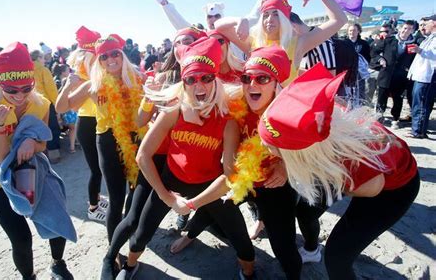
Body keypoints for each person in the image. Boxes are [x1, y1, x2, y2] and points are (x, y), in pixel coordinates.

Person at [258, 63, 420, 280]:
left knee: (337, 257)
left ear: (302, 154)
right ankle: (311, 249)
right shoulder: (319, 119)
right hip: (348, 167)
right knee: (306, 211)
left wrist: (309, 173)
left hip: (391, 190)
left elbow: (370, 189)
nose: (264, 147)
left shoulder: (354, 169)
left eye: (271, 147)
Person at [114, 38, 255, 280]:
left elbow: (230, 175)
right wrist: (166, 196)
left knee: (241, 240)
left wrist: (191, 204)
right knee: (141, 234)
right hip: (172, 179)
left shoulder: (228, 120)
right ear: (184, 82)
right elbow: (143, 155)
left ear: (216, 80)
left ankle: (249, 273)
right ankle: (129, 266)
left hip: (209, 184)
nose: (199, 84)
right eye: (191, 79)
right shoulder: (174, 110)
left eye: (206, 78)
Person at [172, 46, 302, 280]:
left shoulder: (288, 113)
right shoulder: (233, 106)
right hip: (242, 179)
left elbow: (306, 154)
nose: (252, 84)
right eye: (246, 78)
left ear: (275, 83)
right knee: (212, 209)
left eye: (262, 78)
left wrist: (285, 165)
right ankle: (190, 235)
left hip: (274, 186)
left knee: (283, 246)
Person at [0, 42, 73, 280]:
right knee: (21, 239)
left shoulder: (42, 104)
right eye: (11, 89)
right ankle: (28, 277)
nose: (19, 96)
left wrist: (32, 143)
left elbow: (44, 145)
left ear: (33, 83)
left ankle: (58, 263)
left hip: (33, 171)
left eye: (26, 88)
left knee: (57, 220)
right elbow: (1, 156)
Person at [56, 34, 145, 242]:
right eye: (104, 56)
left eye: (115, 54)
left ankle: (130, 226)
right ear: (99, 61)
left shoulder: (138, 79)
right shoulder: (93, 85)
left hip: (136, 139)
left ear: (122, 55)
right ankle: (113, 252)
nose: (110, 59)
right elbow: (61, 107)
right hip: (107, 141)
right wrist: (68, 84)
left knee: (135, 189)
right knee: (116, 198)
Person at [215, 0, 347, 85]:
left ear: (285, 19)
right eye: (266, 15)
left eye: (276, 14)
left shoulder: (297, 43)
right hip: (256, 111)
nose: (269, 19)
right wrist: (240, 20)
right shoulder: (253, 43)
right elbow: (219, 26)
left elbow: (339, 20)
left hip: (283, 113)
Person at [66, 25, 108, 221]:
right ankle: (92, 208)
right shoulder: (90, 58)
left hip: (90, 118)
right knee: (96, 168)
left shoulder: (83, 58)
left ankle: (97, 199)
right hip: (90, 120)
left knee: (97, 167)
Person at [371, 20, 418, 129]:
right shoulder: (389, 40)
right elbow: (374, 51)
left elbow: (415, 59)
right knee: (381, 97)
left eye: (410, 29)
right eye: (405, 28)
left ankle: (395, 119)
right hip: (386, 74)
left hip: (400, 76)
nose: (406, 31)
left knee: (398, 99)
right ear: (401, 28)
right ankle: (379, 116)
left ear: (413, 31)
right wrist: (380, 59)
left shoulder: (413, 44)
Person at [406, 14, 436, 139]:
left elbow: (434, 56)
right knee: (418, 102)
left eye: (427, 23)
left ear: (434, 23)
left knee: (422, 103)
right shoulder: (429, 38)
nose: (424, 26)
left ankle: (418, 130)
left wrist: (420, 51)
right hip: (420, 76)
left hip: (427, 77)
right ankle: (418, 128)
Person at [30, 50, 61, 163]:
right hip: (45, 104)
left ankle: (40, 154)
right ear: (38, 58)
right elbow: (51, 89)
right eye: (42, 57)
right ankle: (54, 154)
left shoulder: (27, 70)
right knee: (52, 128)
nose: (44, 60)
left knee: (36, 130)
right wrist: (57, 104)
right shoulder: (43, 70)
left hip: (31, 105)